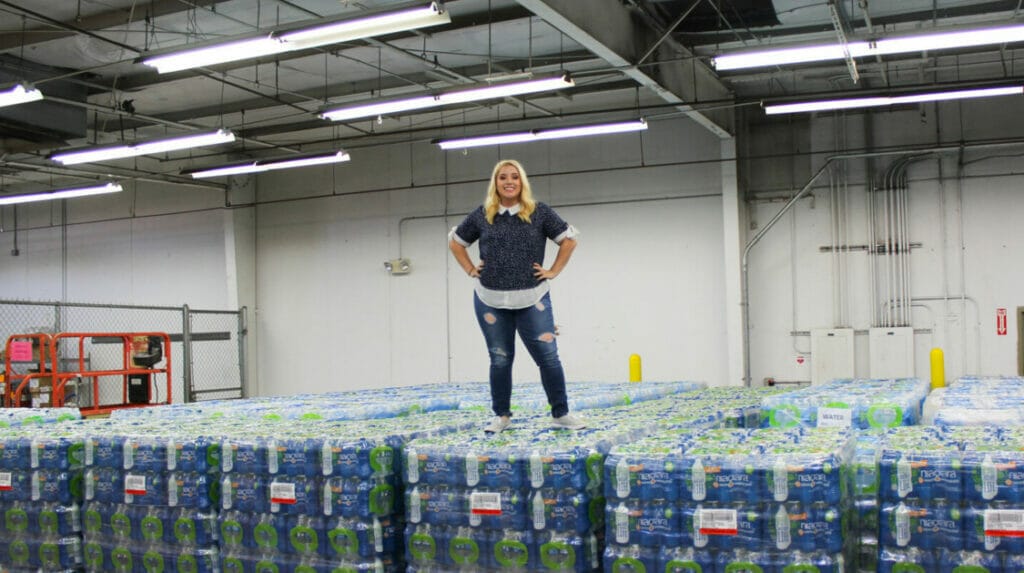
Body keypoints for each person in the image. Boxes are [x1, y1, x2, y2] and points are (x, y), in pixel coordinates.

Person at [449, 159, 585, 434]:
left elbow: (569, 240)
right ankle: (501, 415)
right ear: (495, 183)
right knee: (500, 358)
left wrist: (553, 271)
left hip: (533, 298)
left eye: (514, 177)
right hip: (490, 300)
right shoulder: (482, 215)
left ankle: (560, 413)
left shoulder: (539, 212)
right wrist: (469, 268)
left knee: (548, 357)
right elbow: (456, 241)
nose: (509, 181)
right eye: (503, 177)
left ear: (522, 182)